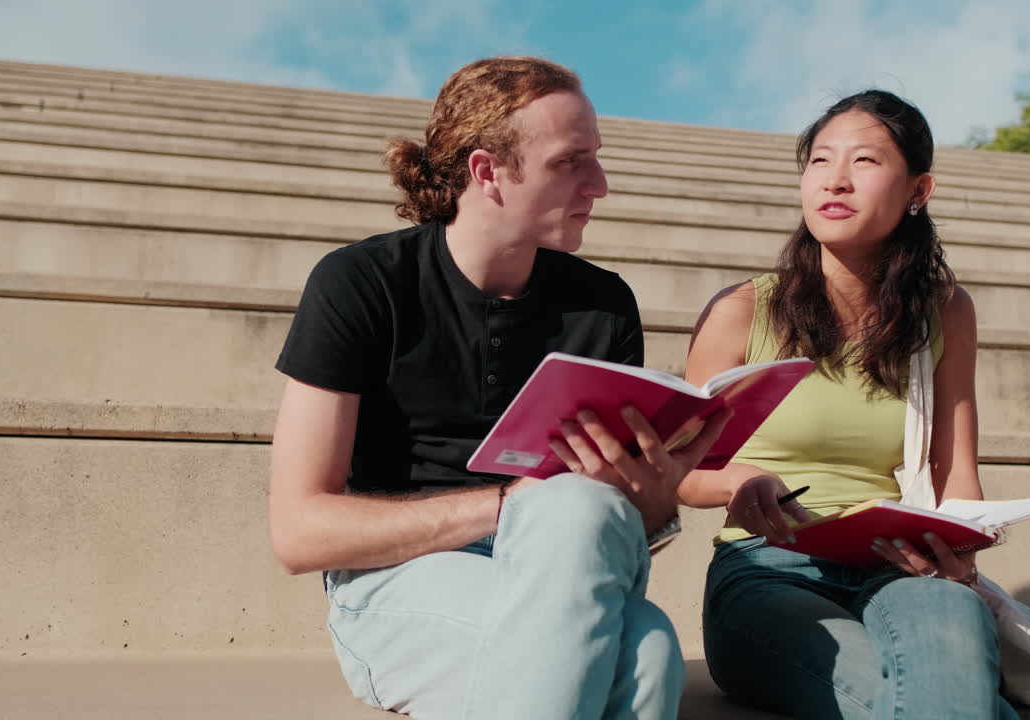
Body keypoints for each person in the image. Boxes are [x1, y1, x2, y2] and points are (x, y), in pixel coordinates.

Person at [267, 56, 730, 720]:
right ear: (488, 172)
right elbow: (298, 531)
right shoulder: (361, 284)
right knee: (644, 642)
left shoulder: (602, 305)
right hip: (392, 586)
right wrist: (514, 506)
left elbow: (627, 533)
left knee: (632, 610)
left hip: (571, 569)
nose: (599, 184)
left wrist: (652, 502)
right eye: (572, 162)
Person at [678, 90, 1018, 720]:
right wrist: (738, 480)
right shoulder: (744, 311)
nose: (835, 179)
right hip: (769, 569)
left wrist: (960, 556)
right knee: (934, 700)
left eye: (864, 161)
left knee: (945, 642)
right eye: (820, 161)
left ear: (919, 190)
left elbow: (955, 471)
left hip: (900, 563)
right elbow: (676, 469)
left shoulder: (945, 310)